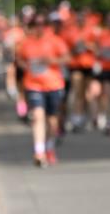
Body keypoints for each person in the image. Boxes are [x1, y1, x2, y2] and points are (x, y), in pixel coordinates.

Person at [15, 10, 69, 166]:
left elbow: (67, 58)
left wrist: (51, 60)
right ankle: (39, 152)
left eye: (42, 25)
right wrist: (25, 65)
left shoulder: (55, 40)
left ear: (46, 26)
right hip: (33, 85)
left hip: (54, 84)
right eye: (35, 25)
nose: (39, 28)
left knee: (52, 122)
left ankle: (49, 147)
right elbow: (19, 59)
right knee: (38, 116)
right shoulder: (26, 42)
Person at [62, 6, 99, 131]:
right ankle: (77, 117)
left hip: (88, 65)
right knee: (78, 92)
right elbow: (65, 51)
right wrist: (75, 49)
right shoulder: (70, 31)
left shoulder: (91, 31)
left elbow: (98, 48)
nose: (80, 20)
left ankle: (93, 117)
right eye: (78, 17)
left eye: (83, 17)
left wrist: (87, 46)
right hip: (75, 65)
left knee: (88, 93)